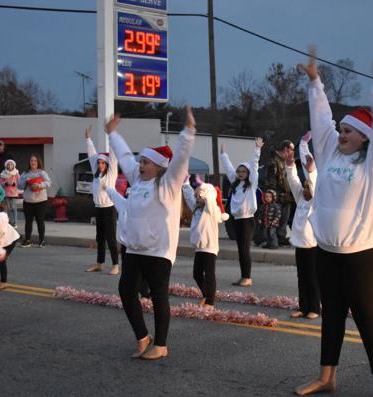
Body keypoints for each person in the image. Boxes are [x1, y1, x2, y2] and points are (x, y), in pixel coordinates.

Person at [294, 46, 373, 397]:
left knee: (368, 317)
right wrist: (315, 82)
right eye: (340, 129)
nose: (340, 133)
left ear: (365, 138)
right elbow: (321, 118)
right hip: (327, 253)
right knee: (333, 314)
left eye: (348, 130)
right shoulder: (328, 153)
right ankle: (327, 376)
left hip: (364, 255)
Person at [106, 106, 196, 361]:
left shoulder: (167, 184)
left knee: (158, 295)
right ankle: (143, 337)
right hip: (134, 248)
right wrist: (113, 134)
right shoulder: (137, 179)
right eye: (141, 161)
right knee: (126, 290)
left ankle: (162, 344)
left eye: (145, 162)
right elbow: (124, 156)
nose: (139, 165)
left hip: (158, 250)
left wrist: (188, 133)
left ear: (157, 167)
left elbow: (179, 160)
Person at [286, 132, 320, 320]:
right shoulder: (300, 198)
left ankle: (315, 307)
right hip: (300, 244)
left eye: (308, 186)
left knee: (313, 278)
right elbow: (293, 181)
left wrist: (312, 171)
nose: (305, 188)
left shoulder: (316, 201)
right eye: (304, 186)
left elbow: (313, 182)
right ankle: (303, 306)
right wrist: (290, 165)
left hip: (314, 246)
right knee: (302, 278)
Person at [182, 178, 230, 308]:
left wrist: (203, 190)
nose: (197, 199)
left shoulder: (211, 210)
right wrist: (186, 184)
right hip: (199, 247)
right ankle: (205, 294)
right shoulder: (196, 208)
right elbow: (188, 198)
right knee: (196, 274)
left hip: (210, 247)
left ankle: (210, 301)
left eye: (200, 196)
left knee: (209, 275)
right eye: (196, 196)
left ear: (207, 196)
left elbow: (209, 198)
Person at [221, 138, 262, 287]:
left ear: (248, 173)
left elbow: (255, 165)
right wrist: (224, 155)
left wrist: (257, 150)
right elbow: (229, 168)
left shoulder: (251, 183)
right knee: (240, 250)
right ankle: (244, 275)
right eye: (239, 171)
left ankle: (247, 277)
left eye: (244, 171)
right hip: (236, 219)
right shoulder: (236, 183)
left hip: (247, 220)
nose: (240, 173)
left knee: (244, 249)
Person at [84, 125, 120, 275]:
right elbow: (92, 154)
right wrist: (87, 139)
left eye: (103, 163)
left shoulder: (111, 174)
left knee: (111, 238)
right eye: (99, 163)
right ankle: (100, 263)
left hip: (109, 209)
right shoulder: (96, 173)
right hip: (98, 208)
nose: (100, 164)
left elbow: (113, 154)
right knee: (100, 237)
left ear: (107, 164)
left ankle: (116, 265)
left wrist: (111, 135)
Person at [265, 140, 295, 245]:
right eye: (292, 150)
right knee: (275, 218)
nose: (293, 152)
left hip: (286, 196)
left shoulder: (285, 161)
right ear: (286, 149)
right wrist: (276, 196)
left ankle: (281, 238)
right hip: (278, 196)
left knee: (284, 218)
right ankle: (273, 240)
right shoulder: (274, 161)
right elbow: (271, 181)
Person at [18, 155, 51, 248]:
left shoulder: (42, 173)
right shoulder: (25, 173)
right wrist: (26, 181)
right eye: (31, 160)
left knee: (40, 221)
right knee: (28, 222)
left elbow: (48, 182)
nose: (33, 162)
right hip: (28, 201)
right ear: (29, 162)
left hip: (40, 201)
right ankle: (28, 240)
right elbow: (19, 185)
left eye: (35, 161)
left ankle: (42, 240)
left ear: (38, 162)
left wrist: (39, 185)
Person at [0, 159, 20, 226]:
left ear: (14, 165)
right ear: (6, 166)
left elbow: (19, 182)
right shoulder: (3, 173)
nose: (10, 165)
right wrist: (6, 183)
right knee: (8, 208)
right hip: (6, 193)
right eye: (8, 164)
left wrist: (14, 184)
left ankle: (15, 222)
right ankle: (9, 221)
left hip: (14, 193)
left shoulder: (16, 173)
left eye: (11, 164)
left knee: (14, 208)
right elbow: (0, 182)